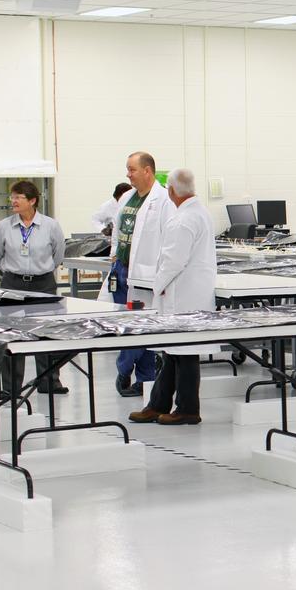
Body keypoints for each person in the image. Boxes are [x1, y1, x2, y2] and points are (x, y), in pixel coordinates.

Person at [128, 169, 215, 426]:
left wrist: (156, 286)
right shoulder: (200, 214)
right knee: (173, 352)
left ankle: (187, 409)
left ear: (172, 191)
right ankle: (159, 404)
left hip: (180, 294)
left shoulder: (183, 220)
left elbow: (172, 261)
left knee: (183, 353)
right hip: (191, 293)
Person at [99, 151, 175, 397]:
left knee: (141, 325)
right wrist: (113, 254)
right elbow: (117, 228)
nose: (128, 174)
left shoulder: (164, 200)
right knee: (126, 323)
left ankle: (128, 370)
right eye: (127, 169)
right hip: (121, 268)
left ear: (147, 171)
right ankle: (144, 379)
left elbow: (168, 239)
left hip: (145, 272)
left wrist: (163, 274)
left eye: (132, 169)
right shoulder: (127, 198)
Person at [0, 180, 67, 395]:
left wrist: (43, 269)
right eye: (12, 197)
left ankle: (49, 382)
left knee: (46, 332)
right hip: (12, 283)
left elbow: (58, 254)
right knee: (11, 335)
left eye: (18, 197)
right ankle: (11, 388)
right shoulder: (4, 226)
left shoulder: (50, 225)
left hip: (43, 284)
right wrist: (9, 271)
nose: (13, 201)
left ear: (32, 201)